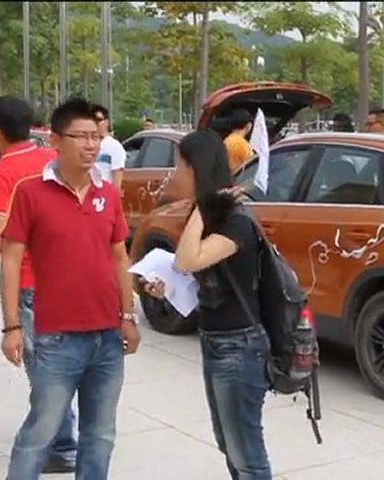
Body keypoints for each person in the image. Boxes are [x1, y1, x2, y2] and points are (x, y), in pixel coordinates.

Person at [1, 97, 141, 480]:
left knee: (100, 435)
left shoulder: (108, 194)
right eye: (80, 136)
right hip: (56, 339)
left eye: (96, 136)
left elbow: (119, 258)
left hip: (107, 338)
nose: (90, 145)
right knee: (40, 433)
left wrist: (128, 315)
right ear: (55, 140)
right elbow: (10, 260)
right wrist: (12, 326)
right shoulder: (31, 193)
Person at [143, 129, 272, 479]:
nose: (175, 174)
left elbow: (188, 259)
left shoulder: (236, 220)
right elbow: (199, 277)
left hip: (240, 346)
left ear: (196, 169)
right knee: (228, 443)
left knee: (246, 452)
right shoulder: (213, 217)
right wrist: (168, 288)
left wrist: (202, 204)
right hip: (217, 339)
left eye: (180, 166)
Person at [0, 96, 77, 474]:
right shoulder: (54, 159)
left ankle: (61, 445)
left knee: (45, 369)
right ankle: (62, 439)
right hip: (68, 278)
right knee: (61, 362)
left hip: (31, 282)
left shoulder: (5, 172)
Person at [91, 104, 126, 190]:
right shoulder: (87, 145)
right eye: (92, 120)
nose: (96, 123)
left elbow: (117, 180)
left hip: (103, 194)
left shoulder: (114, 147)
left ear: (106, 122)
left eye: (99, 120)